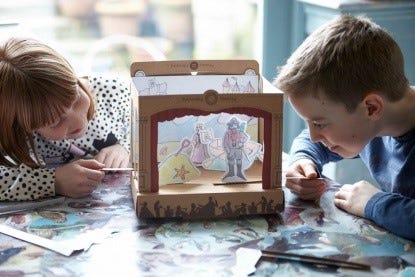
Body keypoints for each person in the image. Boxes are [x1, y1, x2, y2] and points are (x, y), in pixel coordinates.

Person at [274, 15, 415, 240]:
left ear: (370, 108)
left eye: (319, 123)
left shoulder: (369, 122)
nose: (313, 135)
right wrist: (303, 160)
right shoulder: (375, 122)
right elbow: (309, 142)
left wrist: (374, 203)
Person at [0, 37, 130, 201]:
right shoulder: (15, 133)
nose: (78, 121)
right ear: (27, 126)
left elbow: (158, 127)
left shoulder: (113, 91)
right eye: (55, 122)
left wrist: (126, 147)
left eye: (76, 98)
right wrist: (54, 181)